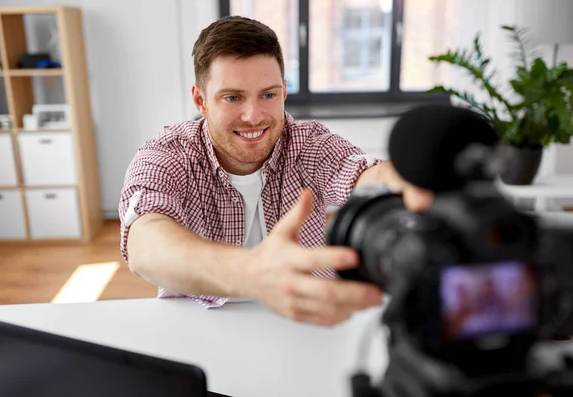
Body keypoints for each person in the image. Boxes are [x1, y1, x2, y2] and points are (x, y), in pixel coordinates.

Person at [118, 16, 433, 327]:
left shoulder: (308, 144)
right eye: (232, 97)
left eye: (268, 95)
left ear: (283, 91)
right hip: (201, 323)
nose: (253, 116)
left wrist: (404, 179)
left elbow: (363, 174)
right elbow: (145, 243)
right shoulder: (167, 154)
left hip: (308, 321)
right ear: (201, 100)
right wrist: (251, 273)